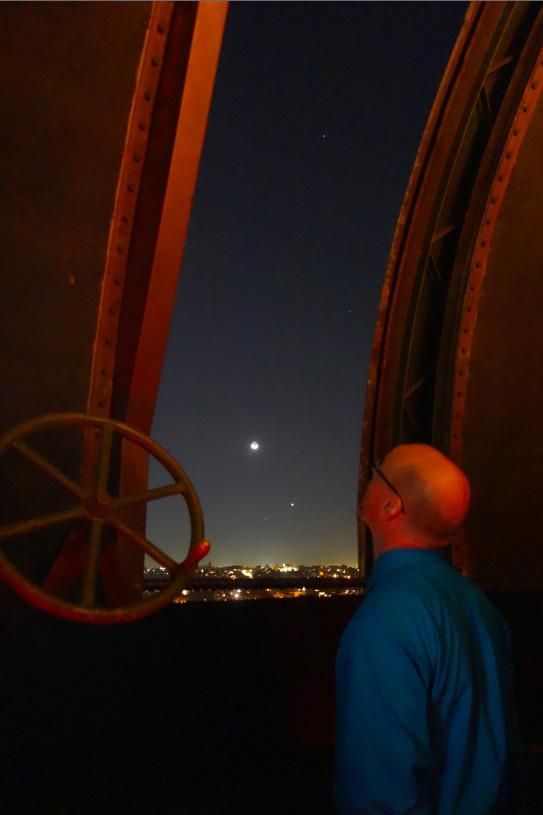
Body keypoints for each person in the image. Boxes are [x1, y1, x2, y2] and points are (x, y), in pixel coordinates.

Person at [334, 444, 520, 814]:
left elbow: (381, 794)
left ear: (392, 507)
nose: (370, 475)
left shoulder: (383, 623)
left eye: (378, 470)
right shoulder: (479, 606)